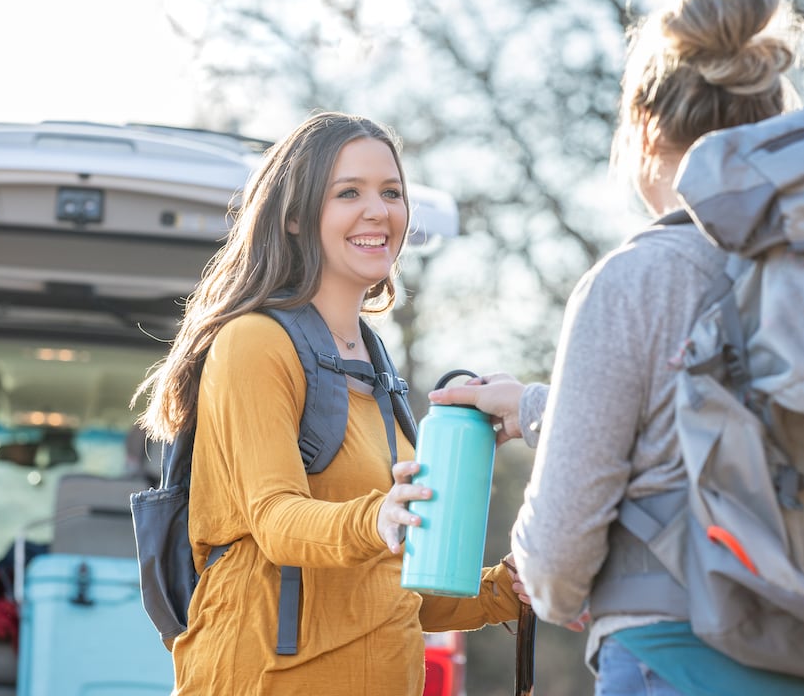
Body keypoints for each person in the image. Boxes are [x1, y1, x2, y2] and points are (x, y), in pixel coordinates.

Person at [429, 0, 804, 695]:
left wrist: (563, 589)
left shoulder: (637, 279)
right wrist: (539, 407)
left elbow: (557, 557)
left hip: (680, 660)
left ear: (645, 127)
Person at [133, 112, 523, 695]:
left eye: (391, 192)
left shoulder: (378, 368)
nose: (378, 210)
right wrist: (379, 517)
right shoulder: (254, 342)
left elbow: (387, 587)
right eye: (349, 193)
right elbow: (276, 521)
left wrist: (504, 591)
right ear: (293, 216)